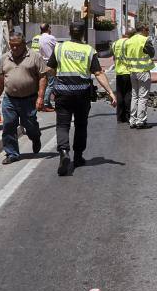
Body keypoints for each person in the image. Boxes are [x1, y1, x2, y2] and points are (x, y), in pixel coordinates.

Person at [47, 21, 117, 176]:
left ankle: (64, 152)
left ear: (70, 33)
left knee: (62, 125)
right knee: (80, 125)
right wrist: (110, 93)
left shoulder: (59, 48)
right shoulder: (88, 50)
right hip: (82, 96)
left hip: (63, 95)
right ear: (84, 33)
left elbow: (50, 69)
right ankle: (78, 157)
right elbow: (98, 73)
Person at [0, 31, 48, 164]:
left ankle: (35, 137)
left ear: (23, 43)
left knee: (30, 126)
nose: (15, 48)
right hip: (10, 99)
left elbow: (43, 77)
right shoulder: (4, 58)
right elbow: (1, 80)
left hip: (29, 99)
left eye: (17, 45)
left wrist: (41, 97)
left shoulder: (34, 57)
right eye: (12, 45)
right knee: (9, 126)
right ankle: (12, 153)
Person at [123, 23, 156, 129]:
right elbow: (152, 53)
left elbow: (125, 56)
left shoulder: (128, 41)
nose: (147, 32)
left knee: (135, 96)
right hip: (143, 71)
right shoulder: (144, 40)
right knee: (142, 97)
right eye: (147, 29)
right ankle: (140, 121)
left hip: (132, 72)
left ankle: (132, 120)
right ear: (142, 30)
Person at [111, 27, 135, 123]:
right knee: (128, 95)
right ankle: (128, 116)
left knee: (120, 95)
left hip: (119, 72)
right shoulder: (129, 43)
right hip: (128, 71)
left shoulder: (115, 43)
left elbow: (114, 57)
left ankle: (120, 118)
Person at [31, 23, 57, 111]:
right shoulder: (51, 38)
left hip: (40, 63)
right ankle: (45, 103)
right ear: (48, 28)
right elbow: (57, 49)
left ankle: (46, 103)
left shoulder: (38, 38)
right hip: (50, 63)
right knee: (51, 84)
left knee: (44, 84)